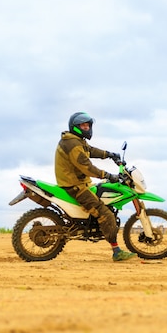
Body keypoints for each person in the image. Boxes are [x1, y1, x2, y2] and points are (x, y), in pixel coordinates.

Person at [55, 112, 137, 262]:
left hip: (78, 183)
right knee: (105, 213)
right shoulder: (72, 144)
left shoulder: (77, 141)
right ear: (76, 127)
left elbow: (91, 151)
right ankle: (116, 251)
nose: (86, 128)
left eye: (88, 125)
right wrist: (108, 175)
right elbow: (87, 167)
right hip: (75, 186)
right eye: (83, 125)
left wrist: (109, 154)